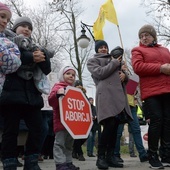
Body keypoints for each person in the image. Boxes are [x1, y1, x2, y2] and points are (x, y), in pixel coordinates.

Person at [0, 16, 51, 170]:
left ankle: (32, 160)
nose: (27, 29)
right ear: (14, 28)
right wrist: (31, 57)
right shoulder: (7, 41)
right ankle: (9, 161)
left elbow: (46, 70)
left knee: (39, 128)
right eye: (23, 26)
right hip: (12, 93)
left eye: (29, 27)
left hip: (32, 95)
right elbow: (9, 58)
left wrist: (43, 57)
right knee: (11, 130)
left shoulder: (37, 47)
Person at [87, 40, 133, 169]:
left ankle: (110, 156)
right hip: (106, 97)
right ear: (97, 50)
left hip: (118, 97)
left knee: (115, 127)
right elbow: (100, 73)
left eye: (105, 47)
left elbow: (124, 78)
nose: (103, 49)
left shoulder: (115, 60)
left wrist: (125, 75)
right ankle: (100, 157)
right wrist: (114, 62)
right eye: (100, 47)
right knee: (109, 125)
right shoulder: (93, 61)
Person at [131, 24, 170, 169]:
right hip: (151, 92)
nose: (144, 38)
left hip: (168, 90)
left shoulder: (165, 50)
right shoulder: (138, 50)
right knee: (157, 121)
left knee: (168, 122)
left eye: (146, 35)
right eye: (141, 36)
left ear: (153, 36)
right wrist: (161, 68)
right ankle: (153, 155)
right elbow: (138, 67)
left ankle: (166, 154)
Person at [48, 66, 79, 170]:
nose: (71, 76)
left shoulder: (75, 90)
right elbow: (51, 102)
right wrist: (57, 94)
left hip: (72, 124)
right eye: (68, 73)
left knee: (69, 144)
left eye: (73, 75)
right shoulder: (58, 87)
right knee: (59, 144)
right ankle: (60, 164)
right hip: (60, 122)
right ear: (62, 75)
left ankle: (68, 162)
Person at [114, 94, 148, 163]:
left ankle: (142, 154)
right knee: (118, 133)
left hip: (131, 106)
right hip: (120, 106)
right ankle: (116, 155)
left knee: (136, 130)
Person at [0, 2, 21, 94]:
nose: (5, 21)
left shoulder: (7, 42)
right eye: (2, 16)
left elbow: (15, 63)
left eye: (8, 20)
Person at [72, 80, 87, 161]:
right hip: (75, 119)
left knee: (86, 136)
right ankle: (80, 153)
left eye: (80, 85)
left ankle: (74, 150)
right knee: (77, 137)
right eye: (77, 85)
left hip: (83, 119)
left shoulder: (84, 94)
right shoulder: (72, 93)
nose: (79, 87)